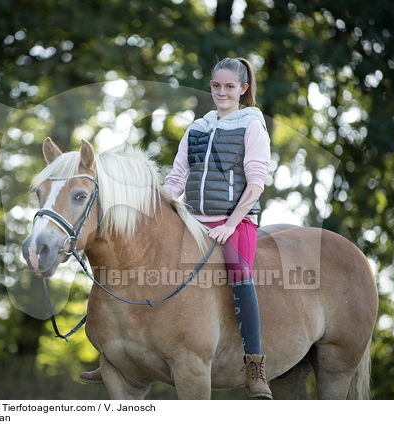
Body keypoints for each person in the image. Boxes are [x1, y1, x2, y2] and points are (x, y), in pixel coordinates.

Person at [80, 57, 272, 399]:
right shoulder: (198, 127)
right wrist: (152, 209)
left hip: (235, 220)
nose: (222, 92)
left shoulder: (252, 126)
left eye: (230, 86)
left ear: (243, 89)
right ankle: (118, 352)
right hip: (193, 218)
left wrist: (230, 224)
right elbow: (177, 177)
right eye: (216, 86)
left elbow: (256, 182)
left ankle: (254, 365)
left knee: (240, 274)